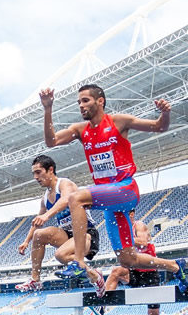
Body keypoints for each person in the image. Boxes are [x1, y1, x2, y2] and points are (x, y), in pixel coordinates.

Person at [39, 84, 187, 295]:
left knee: (75, 198)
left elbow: (159, 127)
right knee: (127, 258)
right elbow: (51, 141)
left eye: (86, 100)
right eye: (79, 102)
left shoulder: (119, 122)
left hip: (125, 189)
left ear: (100, 101)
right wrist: (47, 108)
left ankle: (79, 263)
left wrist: (165, 113)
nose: (81, 105)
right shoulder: (80, 130)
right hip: (109, 201)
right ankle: (176, 266)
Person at [15, 155, 100, 292]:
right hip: (67, 235)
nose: (35, 177)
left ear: (50, 170)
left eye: (38, 172)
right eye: (33, 174)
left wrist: (47, 215)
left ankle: (95, 276)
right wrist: (26, 241)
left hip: (86, 233)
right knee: (39, 234)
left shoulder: (65, 184)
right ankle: (35, 280)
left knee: (61, 255)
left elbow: (66, 199)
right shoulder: (44, 198)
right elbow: (38, 220)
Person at [104, 219, 165, 315]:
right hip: (135, 273)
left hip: (150, 275)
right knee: (116, 271)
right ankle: (103, 304)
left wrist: (123, 240)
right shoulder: (122, 229)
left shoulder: (139, 226)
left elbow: (143, 242)